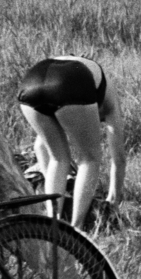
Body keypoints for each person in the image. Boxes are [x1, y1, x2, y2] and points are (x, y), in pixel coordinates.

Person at [17, 56, 126, 231]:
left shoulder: (90, 73)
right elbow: (119, 158)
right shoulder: (110, 99)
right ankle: (76, 230)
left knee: (57, 158)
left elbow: (39, 147)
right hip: (70, 82)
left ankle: (53, 224)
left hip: (32, 81)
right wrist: (112, 200)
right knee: (89, 159)